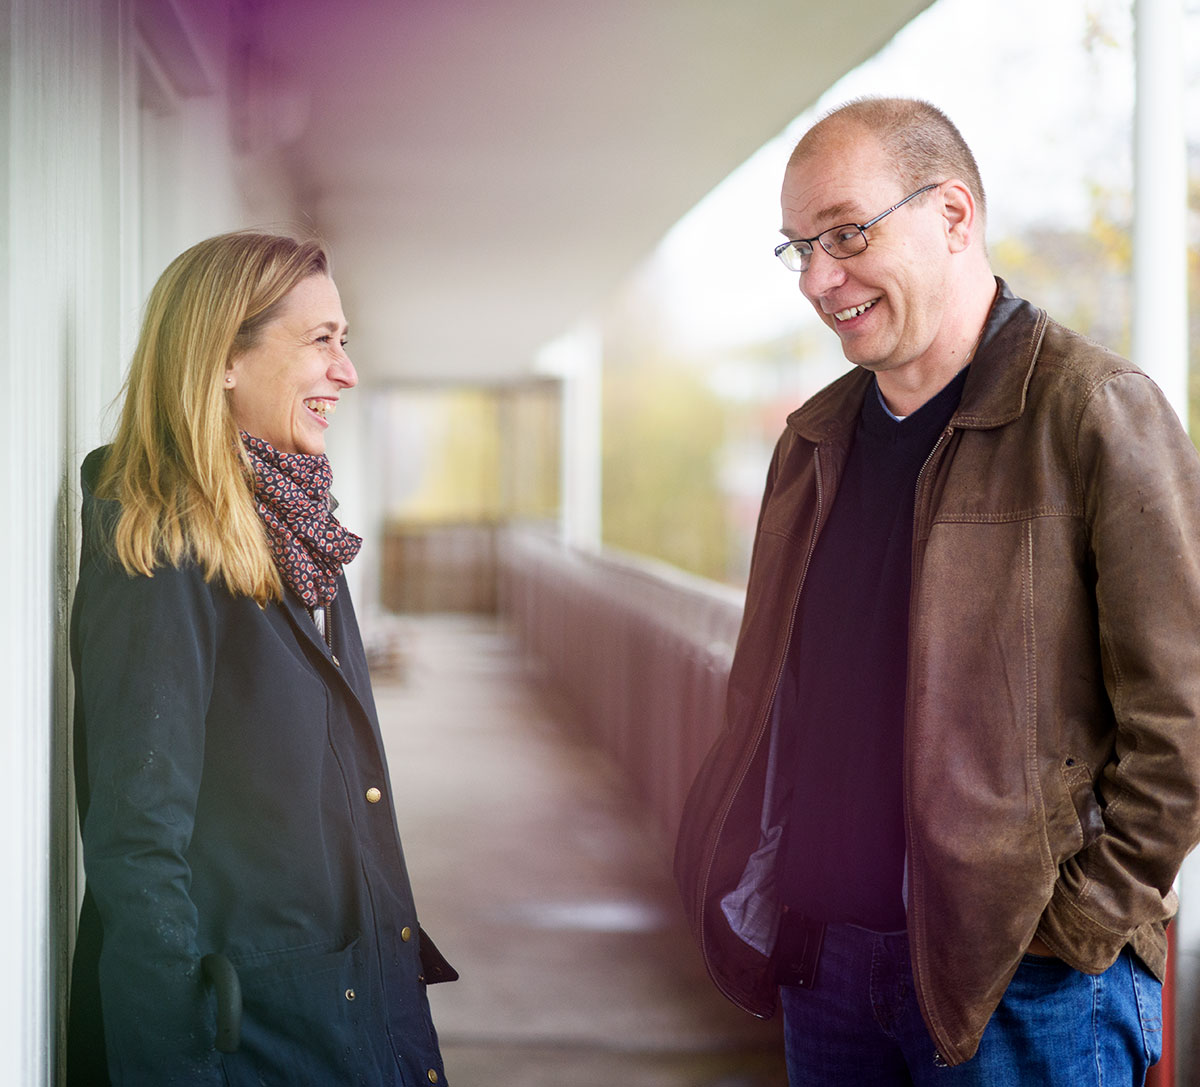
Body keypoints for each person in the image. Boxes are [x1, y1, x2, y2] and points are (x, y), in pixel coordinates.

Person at [674, 96, 1200, 1084]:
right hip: (823, 965)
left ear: (954, 215)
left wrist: (1079, 921)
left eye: (845, 234)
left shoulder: (1094, 412)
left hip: (1029, 987)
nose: (821, 279)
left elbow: (1188, 714)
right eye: (799, 249)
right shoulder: (813, 439)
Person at [67, 231, 455, 1085]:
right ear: (224, 361)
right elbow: (138, 846)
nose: (346, 372)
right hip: (246, 1041)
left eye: (344, 342)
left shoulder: (299, 529)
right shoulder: (160, 548)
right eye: (322, 341)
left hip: (334, 1014)